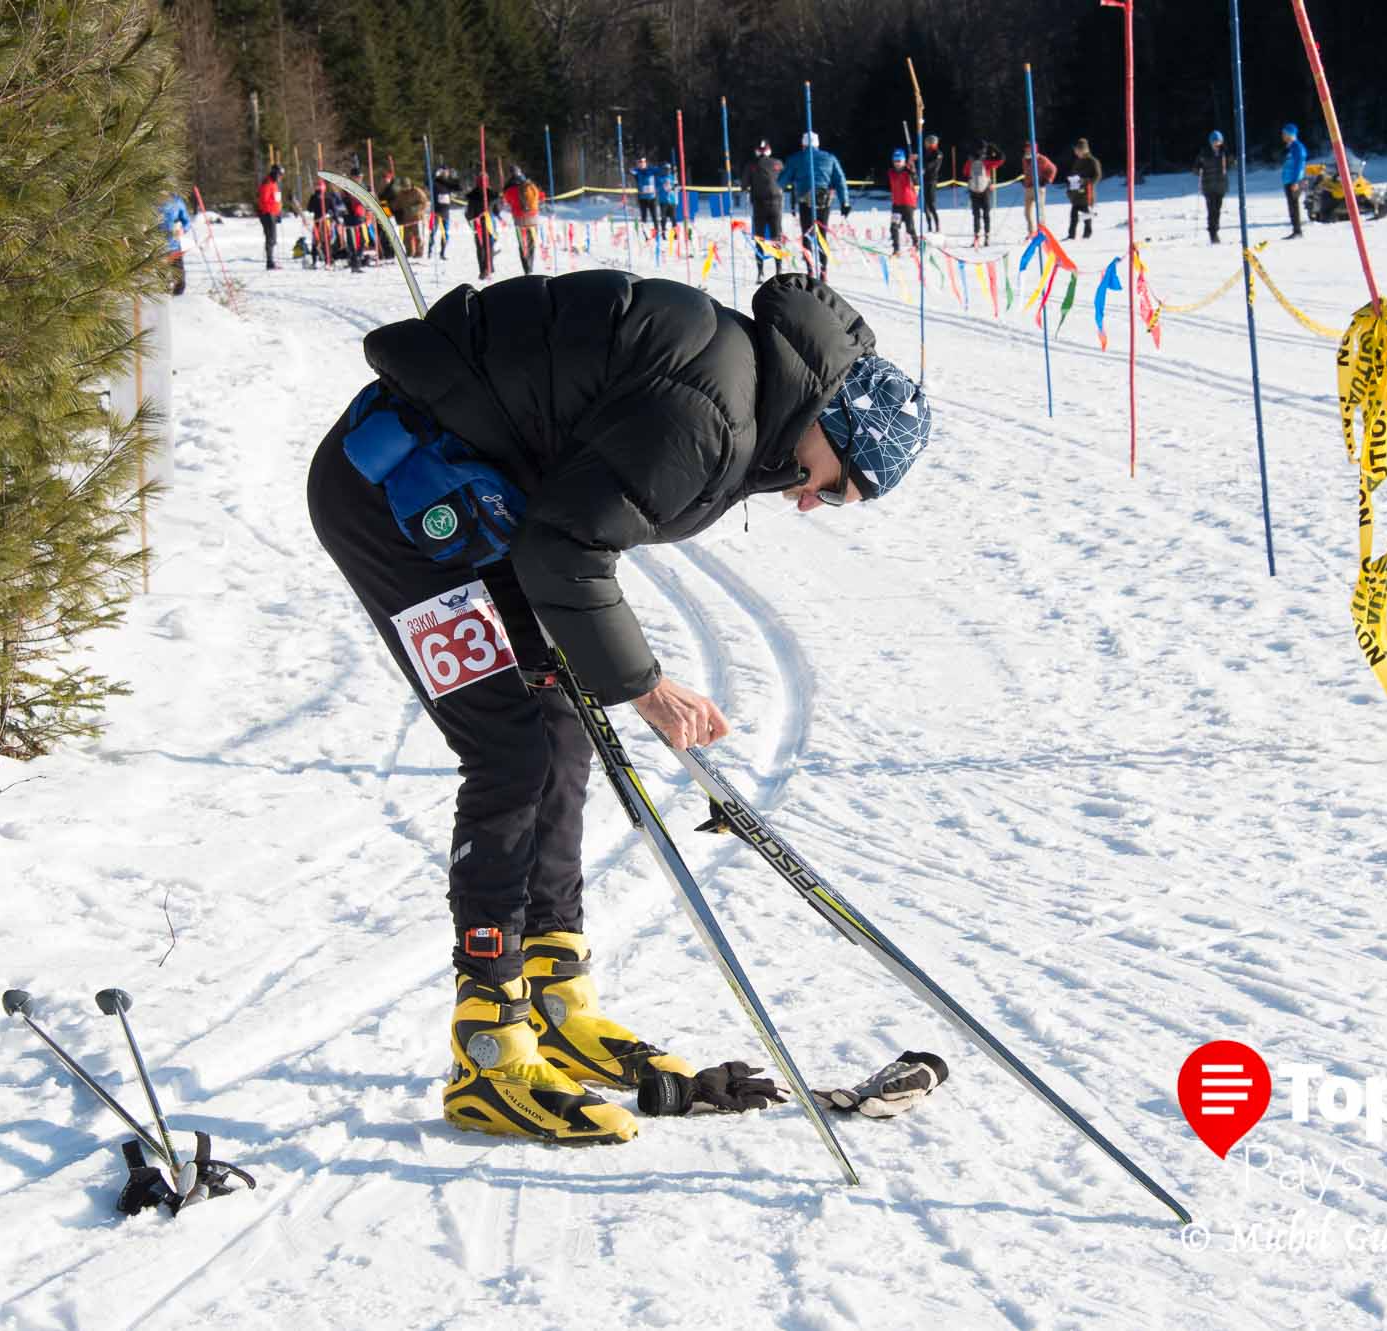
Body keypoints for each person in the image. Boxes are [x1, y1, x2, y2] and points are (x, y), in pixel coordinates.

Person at [306, 271, 932, 1143]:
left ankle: (555, 994)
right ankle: (487, 1042)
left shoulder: (753, 401)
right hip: (397, 503)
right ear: (834, 423)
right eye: (833, 484)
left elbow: (574, 517)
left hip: (480, 504)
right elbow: (568, 548)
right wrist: (646, 686)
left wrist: (612, 674)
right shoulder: (716, 414)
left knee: (560, 724)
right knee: (511, 746)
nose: (808, 498)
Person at [782, 132, 849, 276]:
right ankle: (823, 269)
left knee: (807, 235)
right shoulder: (829, 158)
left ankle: (810, 269)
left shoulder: (795, 159)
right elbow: (840, 180)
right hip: (824, 201)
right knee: (821, 236)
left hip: (805, 202)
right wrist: (845, 202)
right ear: (817, 144)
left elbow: (782, 181)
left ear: (803, 144)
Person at [745, 138, 785, 279]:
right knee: (776, 238)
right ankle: (778, 269)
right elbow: (784, 180)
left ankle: (760, 272)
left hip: (759, 205)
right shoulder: (778, 163)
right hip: (776, 205)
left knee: (760, 239)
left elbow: (744, 185)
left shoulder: (751, 165)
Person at [502, 165, 544, 274]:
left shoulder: (509, 187)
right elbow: (540, 196)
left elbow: (507, 201)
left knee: (522, 244)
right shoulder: (530, 184)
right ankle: (531, 266)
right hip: (533, 218)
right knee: (531, 243)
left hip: (519, 220)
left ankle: (526, 269)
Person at [964, 141, 1005, 248]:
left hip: (973, 191)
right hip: (985, 190)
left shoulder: (970, 162)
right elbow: (1001, 159)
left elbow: (965, 173)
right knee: (986, 215)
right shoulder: (987, 162)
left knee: (976, 215)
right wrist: (994, 147)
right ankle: (987, 238)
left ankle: (976, 238)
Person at [464, 171, 502, 280]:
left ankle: (484, 269)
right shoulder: (488, 195)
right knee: (487, 247)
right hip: (485, 224)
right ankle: (487, 268)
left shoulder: (486, 195)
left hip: (480, 225)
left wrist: (470, 221)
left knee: (482, 247)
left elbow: (469, 213)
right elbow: (496, 211)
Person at [1196, 131, 1230, 244]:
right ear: (1211, 142)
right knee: (1211, 210)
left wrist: (1231, 161)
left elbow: (1231, 165)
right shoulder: (1204, 153)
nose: (1217, 143)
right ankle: (1213, 233)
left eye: (1219, 141)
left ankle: (1216, 230)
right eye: (1215, 141)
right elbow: (1196, 168)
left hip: (1220, 186)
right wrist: (1198, 167)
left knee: (1218, 209)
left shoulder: (1224, 152)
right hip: (1208, 186)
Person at [1064, 138, 1102, 241]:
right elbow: (1073, 174)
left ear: (1083, 149)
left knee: (1086, 215)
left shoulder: (1093, 161)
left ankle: (1087, 236)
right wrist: (1070, 183)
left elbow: (1097, 176)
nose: (1076, 152)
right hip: (1076, 194)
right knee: (1073, 215)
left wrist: (1085, 181)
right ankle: (1071, 236)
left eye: (1077, 150)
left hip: (1087, 194)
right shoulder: (1077, 161)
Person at [886, 147, 919, 255]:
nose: (897, 163)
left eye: (899, 161)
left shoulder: (908, 171)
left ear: (903, 161)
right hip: (897, 205)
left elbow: (915, 179)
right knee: (894, 227)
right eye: (895, 161)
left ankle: (916, 242)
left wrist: (912, 168)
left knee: (909, 228)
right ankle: (896, 249)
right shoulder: (891, 172)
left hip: (908, 204)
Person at [1019, 142, 1057, 236]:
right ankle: (1031, 232)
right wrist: (1025, 180)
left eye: (1029, 148)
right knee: (1027, 212)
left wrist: (1047, 180)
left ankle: (1042, 232)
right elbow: (1027, 172)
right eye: (1026, 148)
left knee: (1040, 211)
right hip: (1028, 188)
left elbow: (1053, 168)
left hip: (1039, 188)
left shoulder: (1041, 159)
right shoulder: (1024, 159)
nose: (1026, 150)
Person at [158, 190, 191, 295]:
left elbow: (186, 221)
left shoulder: (176, 200)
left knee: (180, 282)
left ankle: (178, 305)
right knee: (161, 282)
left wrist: (183, 229)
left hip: (175, 247)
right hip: (157, 248)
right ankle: (163, 306)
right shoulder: (150, 200)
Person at [392, 173, 432, 259]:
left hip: (417, 218)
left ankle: (419, 252)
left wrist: (415, 208)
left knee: (418, 236)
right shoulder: (401, 194)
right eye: (403, 187)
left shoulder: (417, 192)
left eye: (406, 186)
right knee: (406, 237)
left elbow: (424, 203)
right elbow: (396, 204)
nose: (405, 188)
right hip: (406, 219)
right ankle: (410, 252)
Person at [431, 159, 462, 260]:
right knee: (433, 232)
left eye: (447, 172)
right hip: (435, 212)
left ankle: (442, 253)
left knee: (445, 234)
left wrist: (455, 177)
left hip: (445, 212)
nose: (445, 173)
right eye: (443, 172)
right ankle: (429, 251)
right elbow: (429, 183)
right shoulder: (435, 182)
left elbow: (458, 188)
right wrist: (434, 173)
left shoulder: (448, 183)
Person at [1281, 123, 1308, 238]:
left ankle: (1297, 231)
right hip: (1289, 180)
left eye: (1284, 133)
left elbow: (1299, 164)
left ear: (1289, 134)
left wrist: (1296, 181)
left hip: (1294, 181)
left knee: (1294, 205)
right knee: (1291, 205)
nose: (1282, 136)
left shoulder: (1297, 147)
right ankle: (1295, 230)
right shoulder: (1290, 147)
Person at [257, 164, 284, 270]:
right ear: (275, 174)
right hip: (267, 213)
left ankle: (271, 260)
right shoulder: (267, 183)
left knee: (273, 238)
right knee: (270, 238)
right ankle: (270, 262)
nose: (280, 177)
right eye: (279, 175)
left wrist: (278, 212)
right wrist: (272, 212)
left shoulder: (274, 183)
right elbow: (264, 200)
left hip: (272, 213)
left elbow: (275, 199)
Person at [630, 155, 662, 236]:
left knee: (654, 217)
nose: (642, 164)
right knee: (644, 218)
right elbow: (631, 171)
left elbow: (659, 170)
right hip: (642, 199)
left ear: (646, 163)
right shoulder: (637, 172)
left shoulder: (651, 170)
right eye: (640, 162)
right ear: (638, 164)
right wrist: (635, 170)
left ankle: (656, 233)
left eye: (643, 162)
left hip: (652, 198)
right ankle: (645, 234)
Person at [920, 132, 942, 232]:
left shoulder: (938, 153)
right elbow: (922, 161)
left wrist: (925, 168)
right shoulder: (926, 153)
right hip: (924, 180)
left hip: (932, 180)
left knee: (931, 204)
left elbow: (933, 164)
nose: (926, 145)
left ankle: (937, 226)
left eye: (928, 143)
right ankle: (929, 226)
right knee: (925, 206)